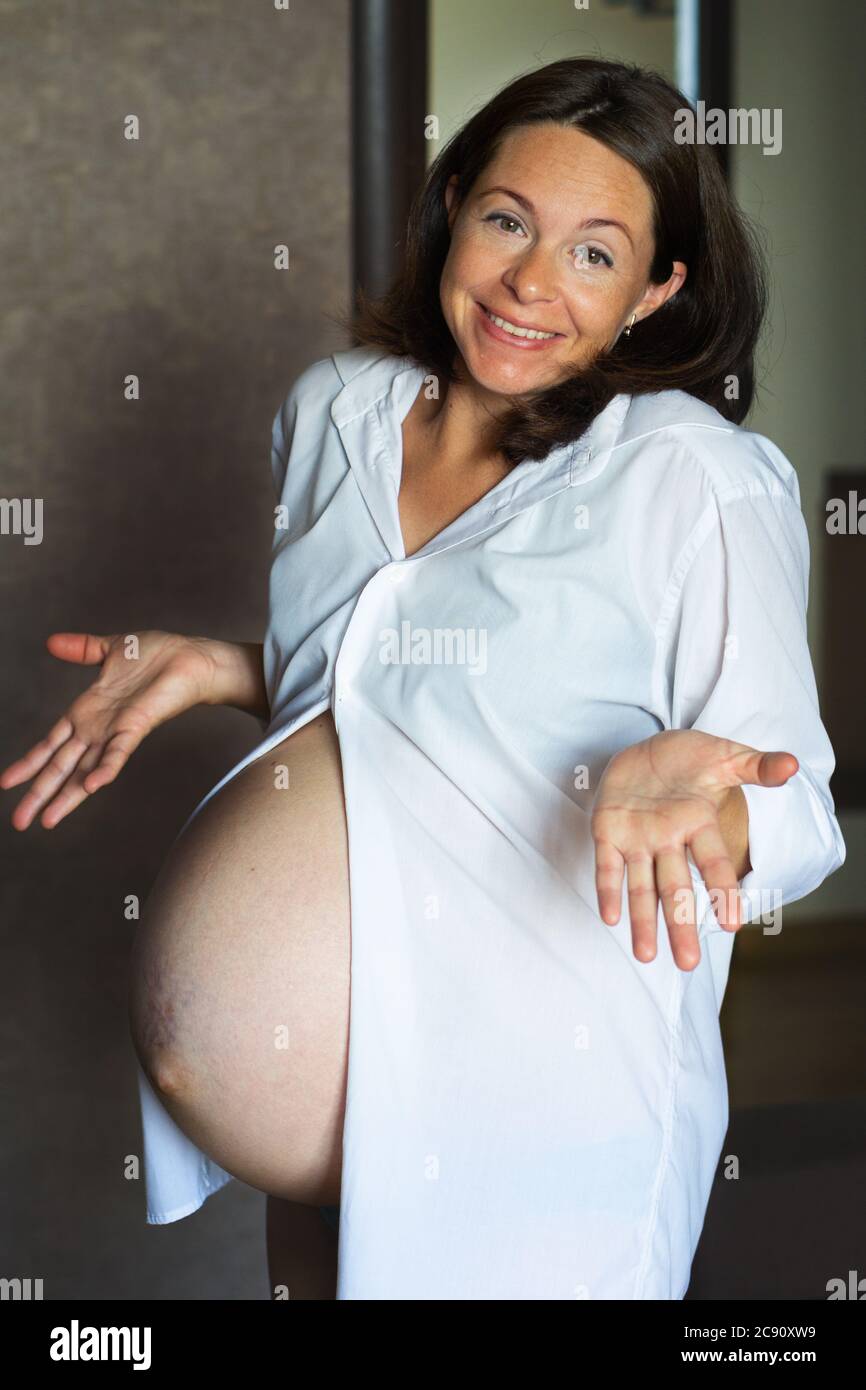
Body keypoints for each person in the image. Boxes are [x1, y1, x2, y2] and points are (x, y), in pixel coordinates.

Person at [2, 57, 846, 1300]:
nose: (530, 284)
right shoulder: (331, 410)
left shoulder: (691, 476)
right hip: (321, 1165)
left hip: (531, 1133)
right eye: (508, 221)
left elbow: (798, 803)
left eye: (595, 254)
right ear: (452, 204)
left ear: (658, 289)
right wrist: (241, 668)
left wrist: (710, 808)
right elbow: (406, 700)